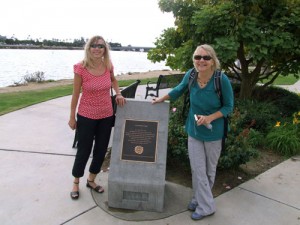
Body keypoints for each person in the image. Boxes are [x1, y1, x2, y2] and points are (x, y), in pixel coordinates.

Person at [152, 44, 234, 220]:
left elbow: (228, 106)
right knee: (197, 169)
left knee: (209, 170)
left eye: (206, 58)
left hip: (214, 132)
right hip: (194, 130)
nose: (201, 61)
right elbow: (178, 90)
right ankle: (207, 206)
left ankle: (199, 199)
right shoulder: (191, 75)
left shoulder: (221, 79)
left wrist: (210, 118)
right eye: (197, 57)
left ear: (213, 61)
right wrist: (161, 99)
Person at [68, 35, 125, 200]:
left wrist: (119, 93)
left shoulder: (108, 65)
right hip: (86, 116)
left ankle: (91, 180)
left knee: (100, 150)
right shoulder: (80, 68)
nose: (97, 49)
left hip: (106, 115)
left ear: (104, 50)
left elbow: (113, 81)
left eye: (100, 46)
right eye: (93, 45)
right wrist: (72, 117)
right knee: (84, 150)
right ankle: (76, 181)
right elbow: (75, 94)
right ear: (88, 48)